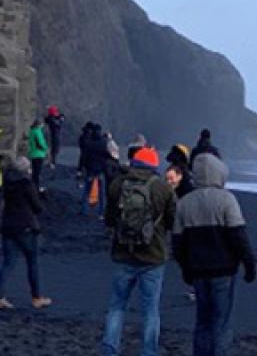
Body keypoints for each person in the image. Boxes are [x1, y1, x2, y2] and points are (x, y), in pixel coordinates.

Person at [172, 153, 257, 356]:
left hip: (197, 270)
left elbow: (177, 242)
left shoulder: (185, 202)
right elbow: (239, 236)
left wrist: (185, 268)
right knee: (221, 322)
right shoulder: (227, 200)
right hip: (223, 270)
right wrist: (249, 264)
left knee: (202, 320)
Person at [101, 146, 176, 356]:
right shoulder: (162, 188)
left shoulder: (117, 184)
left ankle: (110, 348)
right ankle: (149, 351)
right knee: (150, 311)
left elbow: (109, 219)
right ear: (154, 166)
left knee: (117, 306)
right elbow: (172, 221)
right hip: (153, 257)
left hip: (123, 254)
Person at [0, 156, 52, 310]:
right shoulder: (27, 184)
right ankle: (36, 297)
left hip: (8, 225)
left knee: (8, 262)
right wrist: (41, 198)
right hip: (25, 226)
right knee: (32, 262)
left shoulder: (7, 183)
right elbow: (37, 207)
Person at [79, 121, 113, 217]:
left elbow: (84, 156)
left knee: (87, 190)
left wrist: (81, 168)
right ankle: (101, 213)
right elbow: (108, 155)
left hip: (90, 169)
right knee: (101, 192)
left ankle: (84, 211)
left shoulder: (88, 142)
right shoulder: (104, 142)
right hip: (101, 169)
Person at [25, 118, 51, 190]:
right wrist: (46, 149)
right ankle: (36, 187)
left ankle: (33, 186)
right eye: (42, 124)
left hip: (33, 153)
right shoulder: (38, 131)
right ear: (39, 125)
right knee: (37, 172)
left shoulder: (31, 131)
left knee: (34, 172)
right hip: (39, 154)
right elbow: (41, 143)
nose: (42, 126)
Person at [43, 106, 67, 180]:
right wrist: (61, 119)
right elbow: (58, 124)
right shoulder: (52, 120)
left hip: (53, 136)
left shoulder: (50, 119)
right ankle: (52, 162)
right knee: (55, 149)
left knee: (54, 150)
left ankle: (52, 162)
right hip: (55, 136)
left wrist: (60, 117)